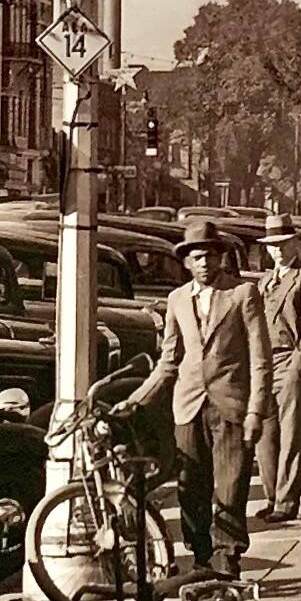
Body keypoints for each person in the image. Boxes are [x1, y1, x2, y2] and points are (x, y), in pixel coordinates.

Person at [111, 225, 272, 578]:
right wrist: (136, 400)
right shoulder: (178, 299)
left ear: (220, 257)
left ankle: (226, 559)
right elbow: (168, 360)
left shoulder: (243, 294)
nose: (204, 263)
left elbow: (260, 359)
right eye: (197, 257)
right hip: (188, 405)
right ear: (186, 262)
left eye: (210, 256)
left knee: (230, 487)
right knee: (190, 489)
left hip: (231, 405)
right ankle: (200, 559)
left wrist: (255, 412)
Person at [253, 221, 301, 527]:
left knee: (290, 436)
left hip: (290, 362)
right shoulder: (262, 283)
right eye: (273, 246)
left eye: (284, 244)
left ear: (295, 243)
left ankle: (287, 501)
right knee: (265, 437)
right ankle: (272, 497)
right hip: (264, 365)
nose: (279, 251)